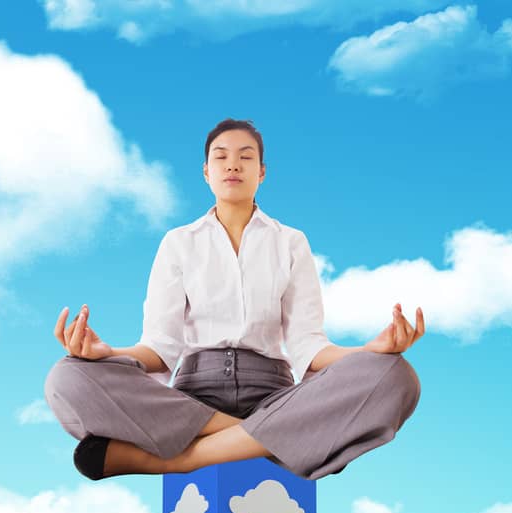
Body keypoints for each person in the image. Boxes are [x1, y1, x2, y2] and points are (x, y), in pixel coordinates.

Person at [43, 118, 425, 482]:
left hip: (273, 393)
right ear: (206, 172)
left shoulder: (291, 242)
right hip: (194, 400)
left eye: (246, 157)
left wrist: (370, 351)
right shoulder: (179, 242)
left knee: (397, 377)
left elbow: (309, 347)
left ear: (261, 172)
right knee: (66, 377)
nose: (233, 166)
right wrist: (106, 354)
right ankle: (289, 439)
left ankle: (180, 458)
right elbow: (160, 349)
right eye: (220, 157)